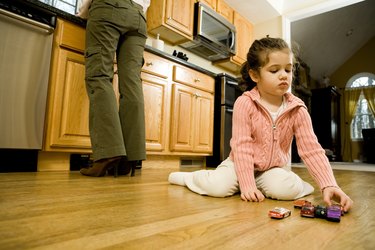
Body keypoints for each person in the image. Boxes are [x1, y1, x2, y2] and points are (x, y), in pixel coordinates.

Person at [168, 37, 353, 212]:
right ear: (255, 75)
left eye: (288, 70)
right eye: (274, 70)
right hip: (238, 163)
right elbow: (241, 147)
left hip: (272, 169)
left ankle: (272, 184)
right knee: (219, 187)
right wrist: (247, 184)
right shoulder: (245, 103)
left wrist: (328, 184)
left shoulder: (298, 109)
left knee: (285, 190)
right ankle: (190, 178)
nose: (283, 76)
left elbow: (311, 150)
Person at [76, 0, 150, 177]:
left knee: (99, 75)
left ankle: (108, 153)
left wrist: (83, 11)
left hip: (108, 7)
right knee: (132, 83)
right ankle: (130, 157)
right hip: (139, 17)